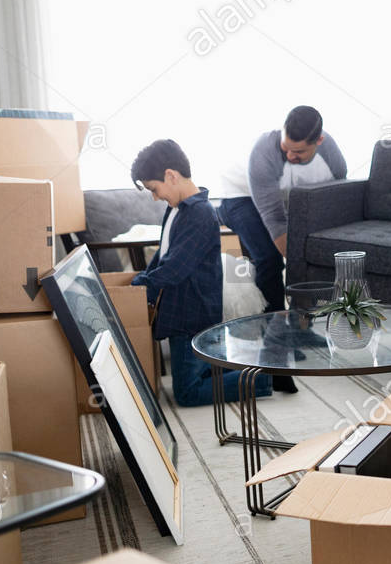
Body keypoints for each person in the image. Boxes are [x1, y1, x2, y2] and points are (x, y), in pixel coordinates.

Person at [130, 139, 270, 407]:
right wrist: (140, 281)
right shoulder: (175, 211)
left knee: (187, 392)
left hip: (192, 316)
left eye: (154, 189)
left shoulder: (200, 214)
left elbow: (174, 269)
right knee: (203, 369)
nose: (155, 196)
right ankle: (246, 365)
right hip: (181, 312)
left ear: (170, 175)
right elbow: (162, 255)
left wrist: (139, 286)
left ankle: (262, 379)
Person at [215, 105, 347, 313]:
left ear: (319, 141)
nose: (290, 155)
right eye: (286, 148)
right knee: (269, 258)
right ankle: (274, 327)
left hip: (286, 197)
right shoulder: (264, 153)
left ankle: (308, 320)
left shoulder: (332, 158)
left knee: (313, 251)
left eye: (299, 151)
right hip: (238, 196)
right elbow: (276, 219)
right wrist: (301, 265)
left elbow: (336, 202)